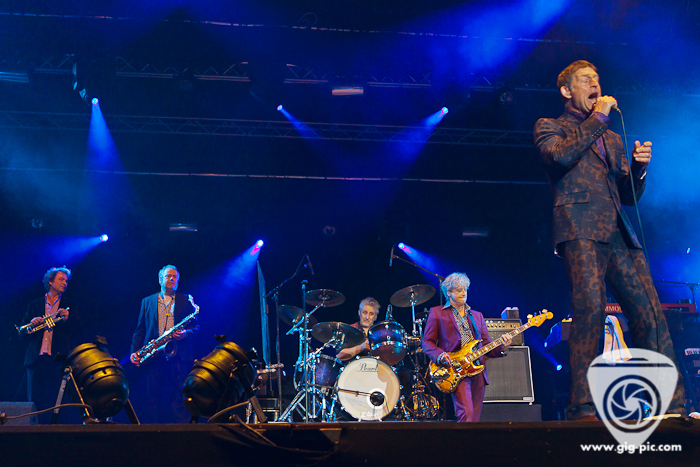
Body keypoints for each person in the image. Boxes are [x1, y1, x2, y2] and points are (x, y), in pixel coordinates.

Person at [534, 60, 687, 420]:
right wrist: (599, 118)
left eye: (597, 79)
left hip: (619, 230)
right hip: (580, 228)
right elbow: (560, 156)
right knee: (591, 309)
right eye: (585, 80)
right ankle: (583, 404)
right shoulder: (550, 126)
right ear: (566, 90)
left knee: (649, 312)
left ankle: (671, 404)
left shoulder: (613, 139)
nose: (595, 84)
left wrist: (639, 169)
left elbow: (628, 195)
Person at [422, 272, 511, 422]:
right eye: (458, 290)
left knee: (475, 419)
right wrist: (440, 355)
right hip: (456, 368)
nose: (463, 293)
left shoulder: (477, 315)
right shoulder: (437, 313)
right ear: (448, 293)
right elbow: (427, 342)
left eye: (465, 289)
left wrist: (503, 347)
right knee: (467, 415)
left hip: (477, 370)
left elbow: (486, 344)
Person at [130, 265, 199, 423]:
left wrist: (185, 333)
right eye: (169, 276)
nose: (172, 279)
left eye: (175, 277)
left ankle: (181, 432)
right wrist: (135, 351)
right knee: (152, 397)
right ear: (160, 279)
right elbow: (140, 329)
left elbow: (196, 327)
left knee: (179, 396)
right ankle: (152, 431)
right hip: (154, 354)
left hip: (179, 354)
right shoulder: (147, 301)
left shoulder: (185, 299)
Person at [21, 266, 84, 423]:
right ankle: (34, 432)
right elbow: (23, 332)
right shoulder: (34, 304)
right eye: (61, 279)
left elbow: (79, 329)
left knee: (58, 400)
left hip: (57, 360)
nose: (65, 283)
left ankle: (56, 431)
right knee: (34, 401)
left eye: (66, 281)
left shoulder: (69, 305)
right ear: (50, 281)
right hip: (36, 360)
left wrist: (68, 318)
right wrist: (32, 324)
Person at [337, 297, 380, 361]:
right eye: (364, 312)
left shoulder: (379, 333)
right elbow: (339, 356)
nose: (367, 317)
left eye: (371, 314)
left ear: (375, 317)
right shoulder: (350, 329)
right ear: (359, 313)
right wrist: (361, 347)